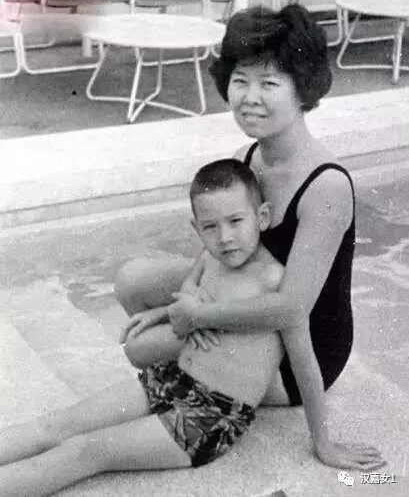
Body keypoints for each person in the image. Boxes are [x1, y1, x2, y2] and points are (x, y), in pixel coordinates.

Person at [116, 4, 385, 470]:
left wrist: (198, 317)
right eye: (241, 80)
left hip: (301, 352)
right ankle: (210, 369)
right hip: (252, 298)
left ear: (303, 88)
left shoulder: (326, 186)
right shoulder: (248, 156)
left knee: (141, 349)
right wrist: (175, 304)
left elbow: (291, 309)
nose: (250, 97)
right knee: (133, 280)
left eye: (269, 83)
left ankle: (222, 382)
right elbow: (217, 257)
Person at [1, 160, 296, 496]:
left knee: (84, 450)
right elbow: (187, 288)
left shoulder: (274, 280)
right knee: (56, 425)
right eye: (210, 226)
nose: (225, 237)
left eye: (236, 221)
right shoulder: (210, 257)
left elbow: (300, 347)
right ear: (196, 228)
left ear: (262, 216)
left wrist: (325, 441)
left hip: (209, 417)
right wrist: (189, 305)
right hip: (171, 378)